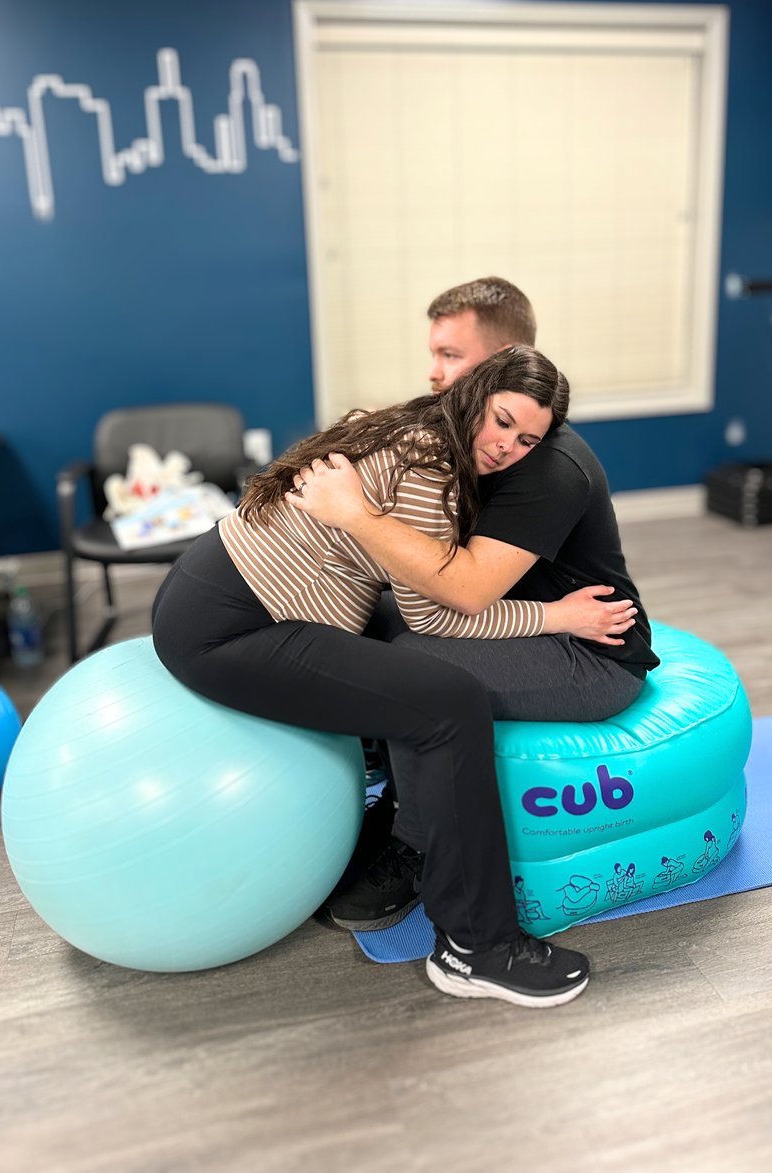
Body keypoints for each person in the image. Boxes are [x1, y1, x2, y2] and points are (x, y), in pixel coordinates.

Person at [152, 347, 634, 1007]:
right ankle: (477, 947)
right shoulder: (429, 467)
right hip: (232, 627)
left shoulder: (416, 430)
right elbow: (447, 616)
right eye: (501, 421)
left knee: (419, 680)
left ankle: (400, 842)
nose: (507, 447)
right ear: (475, 395)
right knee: (446, 701)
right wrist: (556, 615)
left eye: (528, 439)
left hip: (204, 591)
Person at [286, 276, 659, 933]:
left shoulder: (549, 465)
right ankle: (383, 775)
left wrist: (355, 511)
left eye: (451, 356)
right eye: (434, 354)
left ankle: (413, 842)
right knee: (371, 622)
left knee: (410, 664)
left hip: (588, 654)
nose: (433, 373)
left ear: (503, 360)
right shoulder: (457, 421)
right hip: (509, 628)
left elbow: (463, 588)